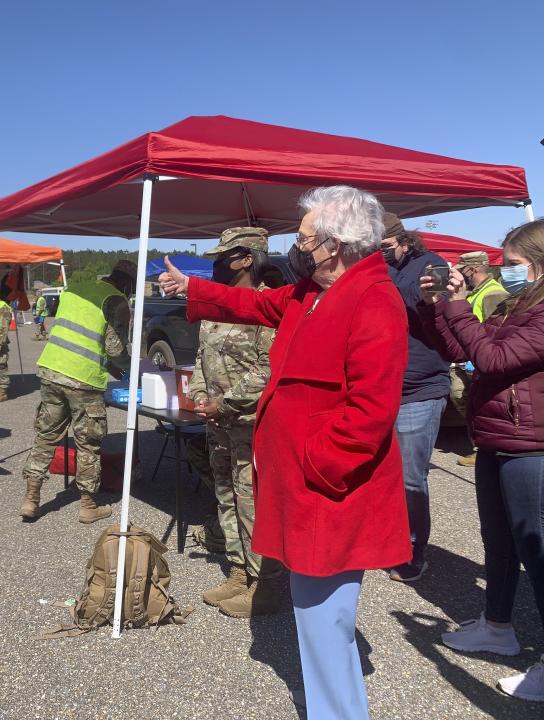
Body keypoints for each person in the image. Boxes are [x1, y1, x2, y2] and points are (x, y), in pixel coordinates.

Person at [160, 185, 409, 720]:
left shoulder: (372, 299)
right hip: (305, 483)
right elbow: (255, 303)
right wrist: (192, 286)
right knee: (315, 618)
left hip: (326, 487)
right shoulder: (313, 291)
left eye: (304, 240)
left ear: (336, 245)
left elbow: (371, 410)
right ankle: (332, 707)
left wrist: (317, 464)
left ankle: (338, 713)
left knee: (324, 619)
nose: (295, 250)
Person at [419, 219, 544, 703]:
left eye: (512, 265)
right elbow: (462, 352)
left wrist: (457, 307)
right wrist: (437, 310)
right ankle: (497, 626)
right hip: (495, 436)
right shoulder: (520, 304)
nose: (505, 272)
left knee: (535, 548)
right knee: (497, 540)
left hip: (531, 444)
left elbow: (493, 360)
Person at [184, 227, 283, 618]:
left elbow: (269, 367)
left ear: (246, 259)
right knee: (226, 496)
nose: (215, 264)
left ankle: (267, 585)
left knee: (254, 503)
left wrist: (225, 402)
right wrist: (198, 395)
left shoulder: (266, 306)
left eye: (222, 257)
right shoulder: (216, 307)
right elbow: (200, 360)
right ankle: (240, 571)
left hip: (251, 424)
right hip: (219, 424)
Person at [19, 260, 134, 524]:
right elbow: (115, 349)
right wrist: (130, 370)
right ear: (127, 284)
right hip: (84, 380)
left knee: (46, 438)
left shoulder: (76, 289)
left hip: (52, 370)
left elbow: (82, 336)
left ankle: (31, 499)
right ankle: (88, 506)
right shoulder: (116, 300)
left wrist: (113, 367)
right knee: (88, 444)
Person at [380, 212, 450, 582]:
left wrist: (423, 293)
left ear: (404, 241)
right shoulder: (374, 266)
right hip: (379, 388)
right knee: (380, 472)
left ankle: (412, 549)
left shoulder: (429, 264)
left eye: (386, 247)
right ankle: (386, 538)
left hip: (418, 390)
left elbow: (423, 300)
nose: (382, 253)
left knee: (409, 476)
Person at [451, 251, 509, 467]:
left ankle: (484, 447)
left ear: (472, 269)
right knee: (465, 398)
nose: (461, 274)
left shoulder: (493, 294)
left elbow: (496, 330)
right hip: (471, 356)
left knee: (477, 402)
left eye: (463, 269)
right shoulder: (479, 292)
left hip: (479, 358)